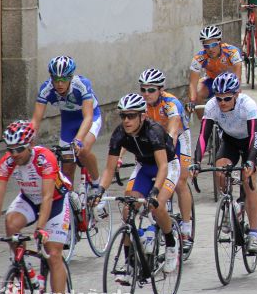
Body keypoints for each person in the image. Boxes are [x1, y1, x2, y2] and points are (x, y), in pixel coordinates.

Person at [0, 121, 71, 294]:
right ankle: (24, 269)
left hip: (56, 201)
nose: (14, 154)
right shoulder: (7, 161)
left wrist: (40, 228)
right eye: (10, 149)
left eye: (20, 149)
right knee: (11, 223)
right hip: (29, 199)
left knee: (54, 254)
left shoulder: (45, 158)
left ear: (30, 144)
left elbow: (48, 196)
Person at [91, 94, 181, 273]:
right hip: (144, 168)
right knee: (127, 209)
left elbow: (163, 166)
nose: (126, 120)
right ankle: (129, 263)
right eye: (123, 115)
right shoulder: (119, 134)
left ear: (142, 116)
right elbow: (109, 169)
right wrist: (99, 190)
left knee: (158, 205)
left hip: (167, 166)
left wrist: (155, 191)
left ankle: (171, 244)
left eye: (131, 116)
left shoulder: (153, 131)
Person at [193, 73, 257, 252]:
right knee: (221, 172)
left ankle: (254, 234)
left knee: (249, 182)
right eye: (218, 98)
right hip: (230, 140)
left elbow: (255, 137)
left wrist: (249, 162)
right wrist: (196, 162)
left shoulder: (248, 105)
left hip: (251, 141)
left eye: (227, 98)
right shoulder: (212, 106)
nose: (222, 102)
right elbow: (203, 135)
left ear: (236, 94)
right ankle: (230, 205)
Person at [138, 69, 193, 246]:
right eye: (143, 89)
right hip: (157, 141)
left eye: (151, 90)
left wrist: (167, 151)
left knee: (180, 181)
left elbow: (173, 130)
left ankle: (186, 228)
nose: (146, 94)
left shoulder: (171, 103)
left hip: (178, 138)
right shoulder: (141, 105)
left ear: (161, 90)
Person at [31, 56, 101, 188]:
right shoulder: (46, 89)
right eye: (56, 79)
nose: (59, 84)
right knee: (67, 169)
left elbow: (88, 117)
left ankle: (98, 185)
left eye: (63, 79)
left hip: (89, 118)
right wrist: (28, 142)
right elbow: (36, 120)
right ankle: (70, 204)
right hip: (68, 122)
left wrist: (78, 140)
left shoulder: (82, 85)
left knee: (84, 150)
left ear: (70, 77)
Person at [188, 26, 243, 115]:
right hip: (212, 80)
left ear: (219, 42)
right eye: (206, 46)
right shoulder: (199, 58)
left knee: (236, 97)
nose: (210, 49)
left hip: (230, 82)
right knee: (197, 92)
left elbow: (238, 77)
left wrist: (237, 91)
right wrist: (193, 101)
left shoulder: (232, 51)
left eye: (213, 45)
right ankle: (204, 122)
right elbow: (192, 84)